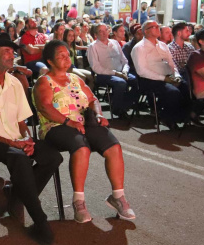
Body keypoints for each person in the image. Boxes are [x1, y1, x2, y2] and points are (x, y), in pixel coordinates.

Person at [0, 34, 63, 245]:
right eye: (7, 52)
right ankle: (40, 220)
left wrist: (26, 139)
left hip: (16, 139)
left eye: (12, 51)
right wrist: (12, 143)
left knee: (52, 157)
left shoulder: (16, 83)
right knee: (19, 158)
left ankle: (17, 195)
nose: (12, 55)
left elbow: (21, 121)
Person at [34, 40, 133, 223]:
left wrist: (98, 114)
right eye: (60, 56)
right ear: (50, 61)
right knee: (82, 148)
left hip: (82, 124)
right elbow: (46, 107)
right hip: (55, 127)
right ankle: (79, 202)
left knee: (113, 147)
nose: (66, 59)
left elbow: (92, 99)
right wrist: (67, 122)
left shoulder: (75, 79)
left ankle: (118, 197)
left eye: (67, 55)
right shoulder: (44, 82)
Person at [131, 21, 189, 128]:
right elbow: (142, 71)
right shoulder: (139, 48)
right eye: (154, 27)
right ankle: (167, 117)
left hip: (167, 77)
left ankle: (181, 116)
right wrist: (164, 79)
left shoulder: (162, 45)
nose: (158, 28)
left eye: (158, 26)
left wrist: (176, 76)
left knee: (186, 87)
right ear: (146, 31)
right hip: (149, 79)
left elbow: (172, 64)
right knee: (173, 92)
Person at [87, 23, 138, 118]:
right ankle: (117, 109)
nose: (104, 33)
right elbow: (96, 68)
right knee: (121, 83)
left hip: (121, 72)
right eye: (100, 31)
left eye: (105, 30)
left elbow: (124, 61)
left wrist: (125, 70)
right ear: (96, 34)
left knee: (137, 81)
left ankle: (123, 105)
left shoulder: (114, 43)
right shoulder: (93, 47)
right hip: (104, 74)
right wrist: (116, 73)